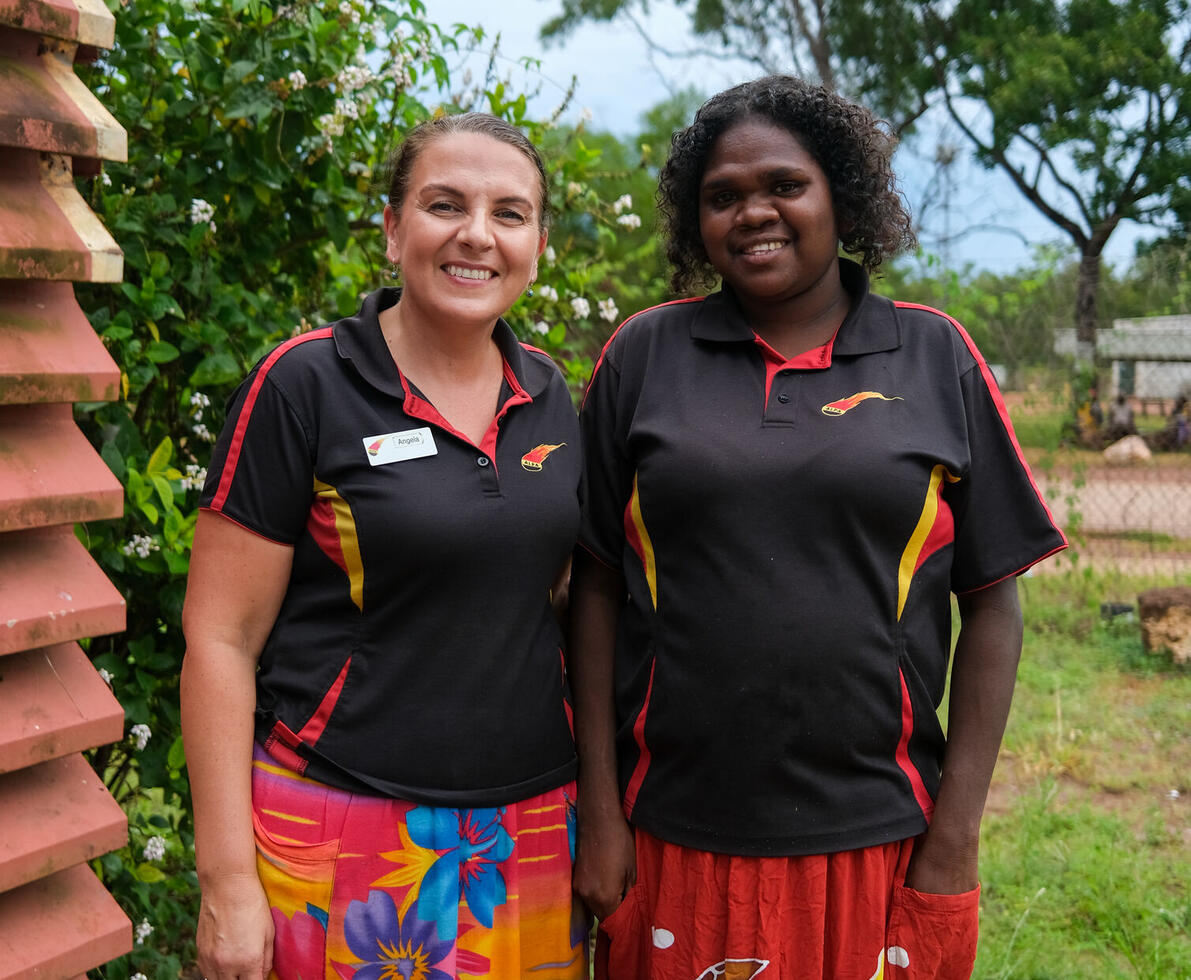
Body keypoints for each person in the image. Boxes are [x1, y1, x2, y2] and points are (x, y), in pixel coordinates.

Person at [569, 76, 1067, 980]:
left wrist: (953, 834)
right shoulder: (644, 354)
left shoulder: (933, 354)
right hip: (673, 829)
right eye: (721, 196)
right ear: (695, 219)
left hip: (879, 834)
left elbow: (993, 604)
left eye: (783, 186)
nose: (752, 212)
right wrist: (601, 816)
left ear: (841, 192)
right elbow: (594, 584)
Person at [181, 113, 588, 980]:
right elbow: (219, 642)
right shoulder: (306, 383)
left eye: (509, 214)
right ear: (393, 225)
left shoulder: (552, 395)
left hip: (534, 830)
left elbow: (552, 598)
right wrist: (224, 879)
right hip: (341, 824)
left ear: (539, 243)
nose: (476, 235)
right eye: (445, 205)